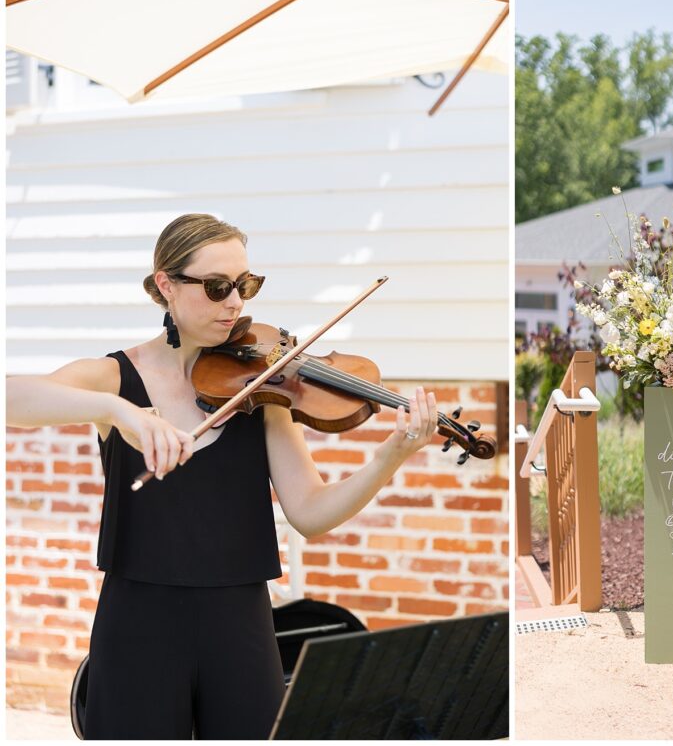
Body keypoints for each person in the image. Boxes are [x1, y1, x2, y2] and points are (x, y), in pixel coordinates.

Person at [5, 213, 438, 739]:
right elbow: (13, 398)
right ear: (166, 284)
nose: (235, 303)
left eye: (245, 285)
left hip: (241, 627)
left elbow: (311, 513)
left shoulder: (264, 389)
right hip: (138, 624)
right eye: (216, 287)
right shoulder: (115, 377)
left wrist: (392, 454)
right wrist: (119, 412)